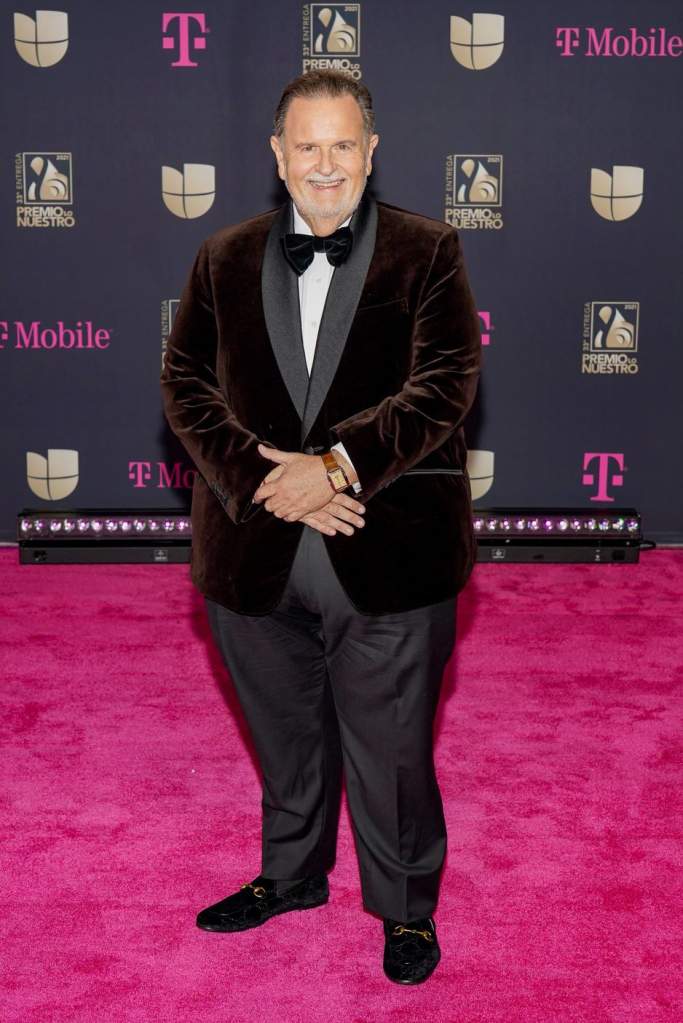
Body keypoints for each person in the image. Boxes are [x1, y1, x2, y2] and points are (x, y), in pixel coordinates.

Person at [160, 68, 481, 985]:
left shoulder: (429, 249)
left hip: (388, 542)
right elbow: (185, 382)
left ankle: (406, 907)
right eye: (308, 146)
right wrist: (273, 481)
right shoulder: (221, 255)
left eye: (343, 144)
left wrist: (335, 467)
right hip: (251, 539)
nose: (326, 164)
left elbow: (444, 384)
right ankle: (292, 873)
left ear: (371, 152)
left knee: (392, 745)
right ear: (278, 155)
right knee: (284, 730)